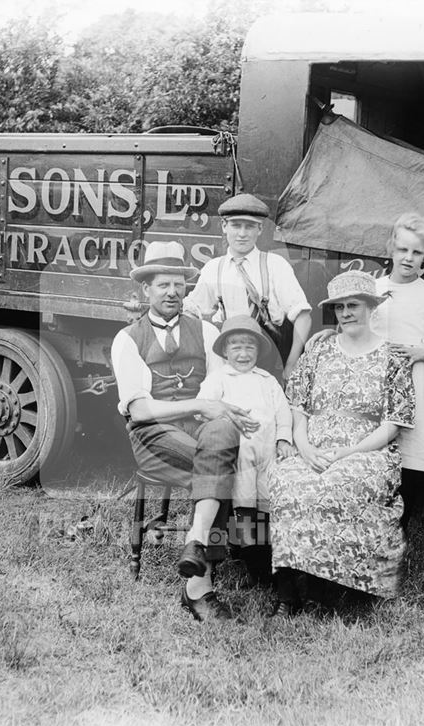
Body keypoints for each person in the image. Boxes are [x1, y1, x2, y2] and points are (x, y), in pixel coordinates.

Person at [111, 241, 258, 622]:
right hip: (152, 434)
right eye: (162, 285)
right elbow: (141, 409)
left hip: (201, 428)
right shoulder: (128, 339)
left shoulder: (206, 332)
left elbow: (220, 384)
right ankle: (200, 589)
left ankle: (196, 545)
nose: (172, 292)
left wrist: (224, 412)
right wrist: (198, 406)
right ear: (146, 290)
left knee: (224, 438)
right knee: (219, 463)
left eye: (178, 284)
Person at [268, 270, 415, 615]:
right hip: (315, 443)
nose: (346, 313)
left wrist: (350, 451)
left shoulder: (393, 358)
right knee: (289, 482)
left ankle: (327, 590)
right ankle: (286, 591)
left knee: (339, 484)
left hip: (368, 449)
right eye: (340, 307)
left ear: (370, 308)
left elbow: (393, 423)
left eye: (354, 305)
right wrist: (303, 446)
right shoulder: (319, 350)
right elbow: (298, 406)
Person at [197, 315, 296, 585]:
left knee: (267, 501)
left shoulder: (267, 381)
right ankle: (250, 559)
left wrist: (284, 439)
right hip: (239, 455)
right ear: (226, 351)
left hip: (268, 452)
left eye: (249, 347)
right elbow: (202, 408)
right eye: (236, 347)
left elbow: (283, 413)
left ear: (258, 351)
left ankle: (274, 557)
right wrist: (223, 418)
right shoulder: (219, 379)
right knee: (244, 503)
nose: (243, 353)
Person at [372, 214, 424, 516]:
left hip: (415, 382)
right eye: (403, 250)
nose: (408, 258)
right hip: (375, 379)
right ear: (391, 249)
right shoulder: (373, 289)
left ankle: (400, 521)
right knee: (374, 451)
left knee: (410, 457)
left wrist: (420, 353)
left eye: (417, 252)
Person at [183, 193, 312, 381]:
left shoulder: (275, 265)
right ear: (224, 226)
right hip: (229, 360)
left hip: (270, 359)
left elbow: (303, 316)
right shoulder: (214, 268)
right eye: (236, 225)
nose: (242, 234)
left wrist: (291, 365)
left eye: (250, 226)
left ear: (259, 229)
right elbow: (191, 314)